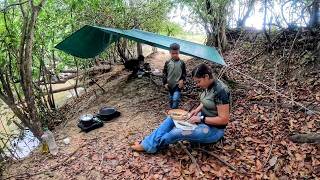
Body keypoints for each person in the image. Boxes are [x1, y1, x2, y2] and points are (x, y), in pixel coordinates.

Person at [131, 63, 231, 153]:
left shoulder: (220, 91)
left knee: (178, 132)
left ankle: (150, 146)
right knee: (172, 117)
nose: (197, 85)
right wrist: (196, 110)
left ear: (206, 76)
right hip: (202, 119)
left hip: (212, 130)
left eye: (198, 81)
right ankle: (148, 143)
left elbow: (224, 120)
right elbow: (207, 102)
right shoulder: (208, 85)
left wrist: (200, 118)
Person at [162, 43, 186, 109]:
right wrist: (165, 83)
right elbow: (164, 73)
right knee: (171, 99)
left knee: (175, 99)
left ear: (179, 52)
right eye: (173, 53)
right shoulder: (168, 62)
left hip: (177, 85)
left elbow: (184, 73)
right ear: (170, 52)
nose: (175, 55)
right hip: (169, 85)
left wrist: (182, 80)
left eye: (176, 53)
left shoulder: (182, 63)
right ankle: (172, 113)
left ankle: (173, 112)